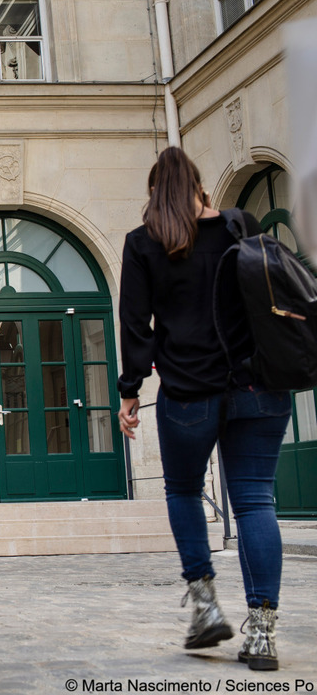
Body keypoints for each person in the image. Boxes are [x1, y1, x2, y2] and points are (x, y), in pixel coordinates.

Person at [117, 147, 292, 671]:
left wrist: (130, 392)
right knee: (256, 502)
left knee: (183, 490)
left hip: (188, 393)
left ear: (154, 196)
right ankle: (261, 633)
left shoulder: (143, 243)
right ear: (200, 187)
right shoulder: (241, 225)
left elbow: (135, 326)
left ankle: (205, 606)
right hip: (259, 387)